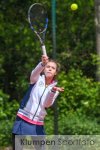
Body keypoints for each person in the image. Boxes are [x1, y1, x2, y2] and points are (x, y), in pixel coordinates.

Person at [12, 55, 64, 150]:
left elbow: (47, 104)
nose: (49, 69)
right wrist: (42, 63)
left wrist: (52, 92)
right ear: (44, 69)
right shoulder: (36, 79)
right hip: (23, 118)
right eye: (47, 67)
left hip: (38, 123)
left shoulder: (55, 89)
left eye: (53, 68)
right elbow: (34, 73)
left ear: (55, 72)